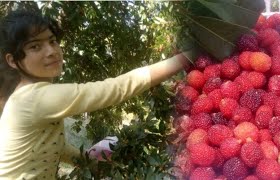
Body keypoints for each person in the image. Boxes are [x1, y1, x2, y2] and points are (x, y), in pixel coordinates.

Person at [0, 10, 191, 179]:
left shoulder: (25, 96)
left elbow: (51, 145)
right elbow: (116, 88)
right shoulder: (35, 98)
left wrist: (86, 159)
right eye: (35, 46)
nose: (51, 51)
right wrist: (187, 57)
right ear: (13, 60)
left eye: (52, 41)